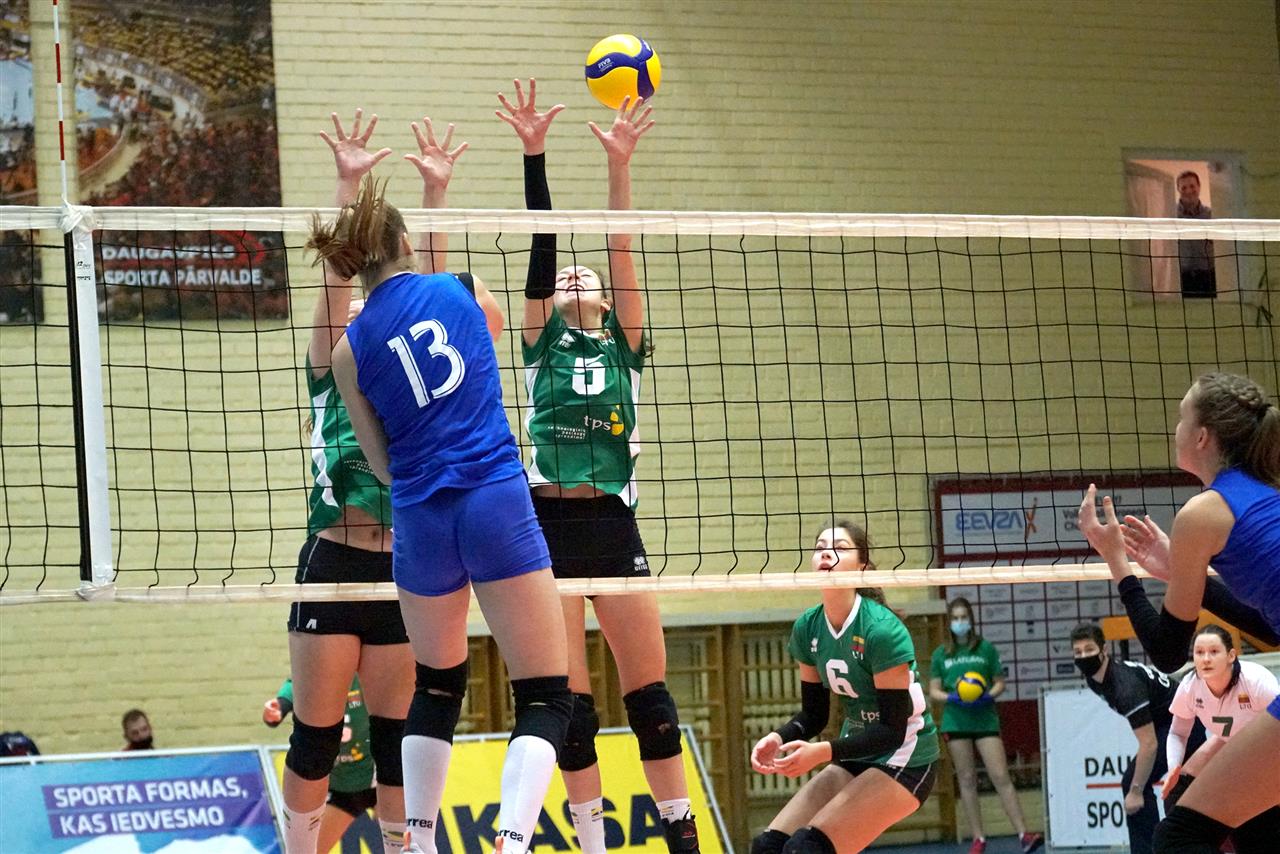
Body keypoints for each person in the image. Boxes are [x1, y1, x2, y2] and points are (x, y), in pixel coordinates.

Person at [316, 135, 573, 854]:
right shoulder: (462, 288)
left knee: (434, 686)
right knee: (545, 693)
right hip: (493, 497)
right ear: (406, 242)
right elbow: (488, 332)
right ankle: (512, 841)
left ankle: (420, 843)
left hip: (420, 517)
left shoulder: (347, 349)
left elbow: (381, 464)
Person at [495, 80, 699, 854]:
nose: (576, 276)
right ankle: (592, 842)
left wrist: (620, 165)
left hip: (612, 522)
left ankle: (681, 837)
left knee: (651, 701)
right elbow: (543, 247)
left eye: (591, 280)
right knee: (571, 708)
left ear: (611, 306)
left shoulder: (626, 346)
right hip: (545, 525)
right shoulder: (539, 340)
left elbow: (620, 246)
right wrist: (535, 154)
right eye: (566, 278)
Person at [279, 109, 432, 854]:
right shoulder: (332, 358)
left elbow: (431, 299)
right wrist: (347, 187)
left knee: (396, 740)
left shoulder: (409, 364)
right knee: (315, 737)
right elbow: (337, 281)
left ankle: (403, 847)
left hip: (401, 566)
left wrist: (435, 195)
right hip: (335, 561)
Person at [1077, 372, 1280, 852]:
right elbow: (1270, 629)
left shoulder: (1203, 513)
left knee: (1179, 835)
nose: (1175, 428)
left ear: (1202, 436)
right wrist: (1179, 573)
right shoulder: (1265, 496)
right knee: (1254, 830)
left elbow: (1168, 653)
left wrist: (1117, 562)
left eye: (1181, 417)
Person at [749, 521, 939, 854]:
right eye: (821, 547)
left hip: (906, 758)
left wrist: (821, 752)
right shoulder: (808, 627)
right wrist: (778, 738)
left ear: (862, 567)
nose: (827, 554)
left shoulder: (881, 630)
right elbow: (814, 714)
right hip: (858, 751)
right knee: (768, 847)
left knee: (806, 850)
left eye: (840, 548)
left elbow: (892, 731)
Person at [928, 598, 1042, 854]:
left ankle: (1024, 834)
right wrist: (952, 697)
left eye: (963, 617)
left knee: (1000, 775)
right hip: (956, 721)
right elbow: (934, 690)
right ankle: (978, 838)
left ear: (971, 619)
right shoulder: (941, 654)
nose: (960, 622)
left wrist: (988, 695)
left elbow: (999, 682)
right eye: (955, 618)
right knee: (967, 779)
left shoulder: (985, 649)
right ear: (949, 622)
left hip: (984, 718)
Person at [1160, 625, 1279, 853]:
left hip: (1266, 745)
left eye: (1214, 652)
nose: (1206, 659)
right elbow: (1177, 732)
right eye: (1199, 652)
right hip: (1228, 739)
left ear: (1231, 656)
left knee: (1257, 818)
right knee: (1178, 792)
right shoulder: (1190, 686)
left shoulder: (1255, 681)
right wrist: (1174, 765)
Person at [1069, 623, 1180, 854]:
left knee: (1135, 784)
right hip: (1165, 720)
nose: (1083, 657)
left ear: (1104, 650)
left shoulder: (1124, 686)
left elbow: (1149, 745)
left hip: (1182, 722)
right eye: (1078, 652)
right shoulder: (1094, 678)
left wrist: (1136, 791)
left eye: (1089, 650)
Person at [265, 675, 377, 852]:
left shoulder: (369, 673)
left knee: (406, 842)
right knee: (310, 850)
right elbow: (294, 687)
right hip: (342, 788)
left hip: (380, 779)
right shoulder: (319, 674)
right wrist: (279, 707)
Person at [1174, 171, 1215, 298]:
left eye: (1192, 186)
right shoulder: (1171, 215)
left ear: (1199, 186)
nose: (1188, 191)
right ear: (1178, 189)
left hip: (1208, 276)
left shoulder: (1211, 215)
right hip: (1180, 277)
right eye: (1184, 187)